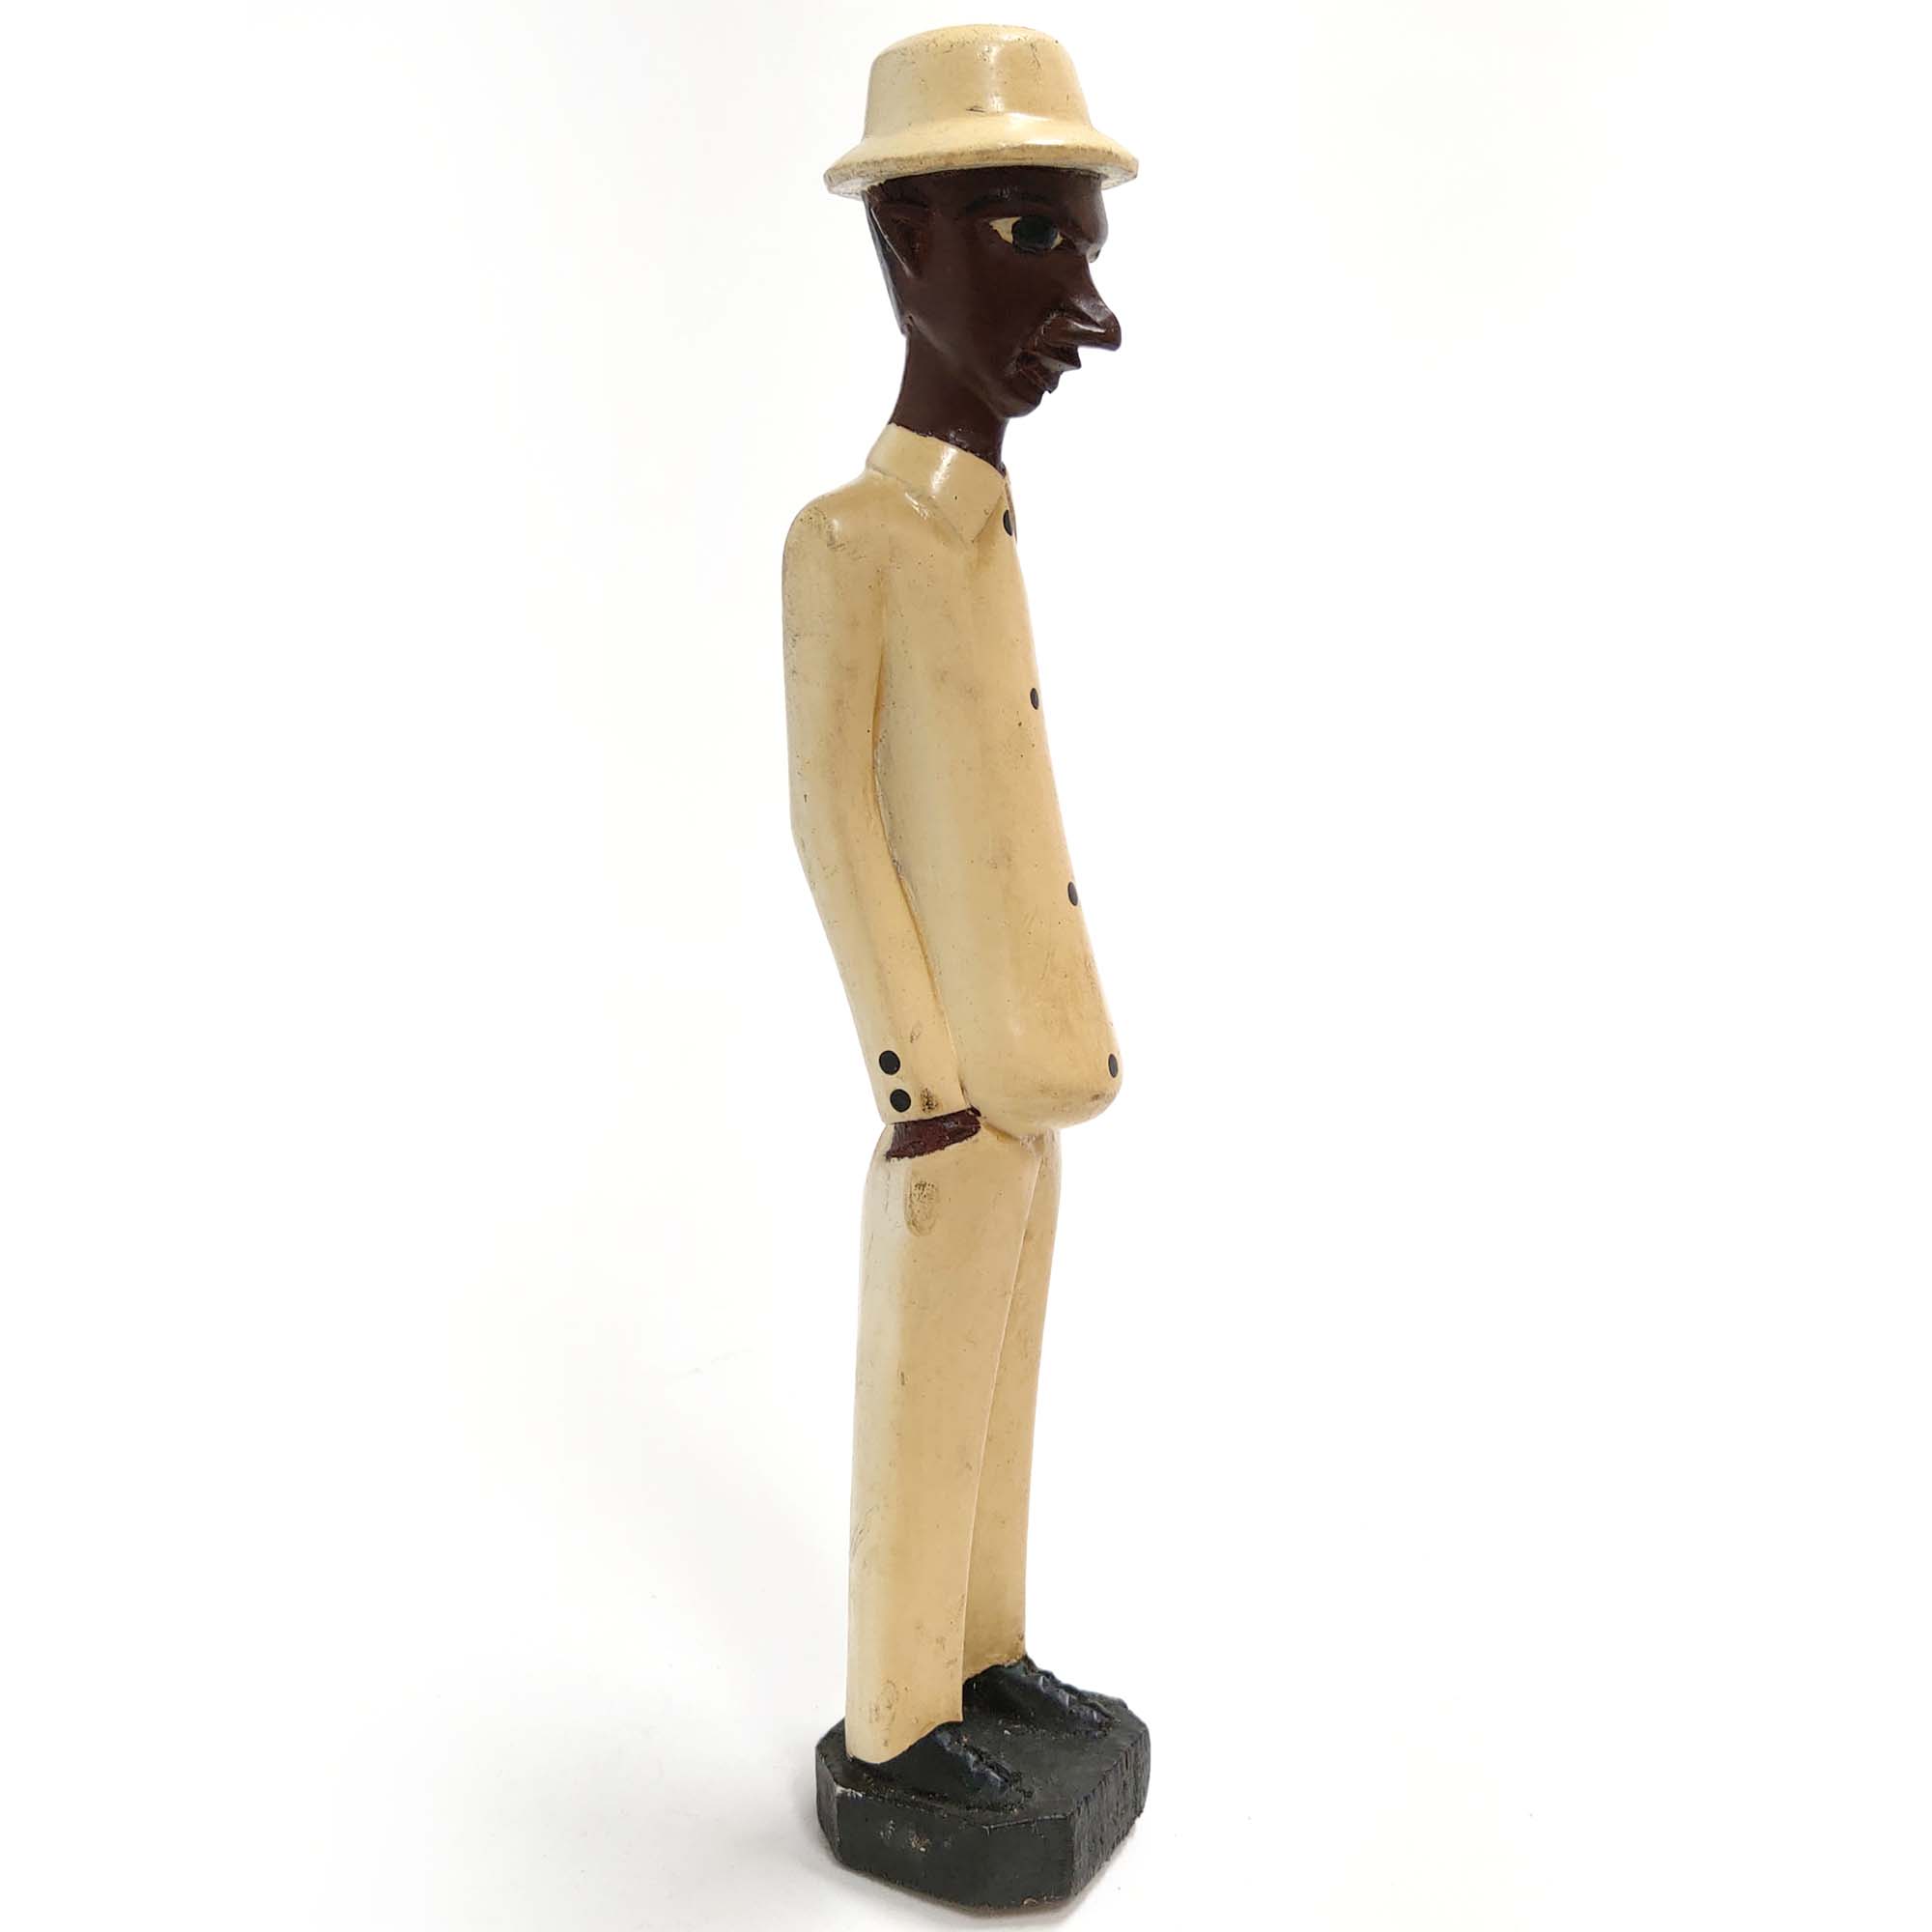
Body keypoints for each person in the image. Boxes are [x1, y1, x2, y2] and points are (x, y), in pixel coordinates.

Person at [783, 25, 1139, 1807]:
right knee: (926, 1407)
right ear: (903, 240)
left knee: (999, 1398)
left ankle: (983, 1657)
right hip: (949, 1089)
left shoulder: (984, 530)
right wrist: (914, 1072)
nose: (1091, 311)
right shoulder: (853, 540)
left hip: (1032, 1072)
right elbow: (834, 818)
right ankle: (898, 1721)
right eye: (1033, 237)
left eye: (1086, 248)